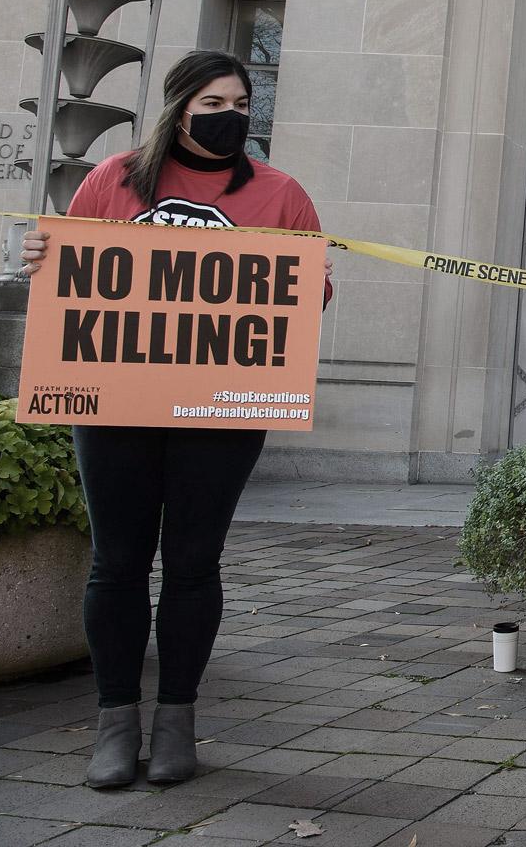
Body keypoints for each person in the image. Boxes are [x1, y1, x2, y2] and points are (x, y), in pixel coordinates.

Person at [20, 50, 332, 789]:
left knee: (194, 565)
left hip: (219, 412)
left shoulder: (282, 195)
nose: (231, 117)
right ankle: (115, 721)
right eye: (214, 103)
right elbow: (71, 274)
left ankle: (177, 723)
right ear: (180, 106)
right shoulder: (113, 180)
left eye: (241, 103)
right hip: (116, 404)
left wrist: (311, 284)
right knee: (117, 563)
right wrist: (42, 254)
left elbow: (304, 302)